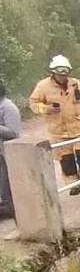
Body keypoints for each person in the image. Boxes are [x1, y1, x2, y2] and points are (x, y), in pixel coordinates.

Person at [28, 55, 80, 196]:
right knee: (66, 161)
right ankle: (74, 184)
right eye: (60, 74)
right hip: (59, 130)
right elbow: (33, 103)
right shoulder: (43, 86)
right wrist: (46, 109)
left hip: (79, 127)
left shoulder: (76, 84)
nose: (63, 77)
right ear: (53, 72)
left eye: (65, 74)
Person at [0, 79, 22, 220]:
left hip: (5, 154)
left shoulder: (8, 107)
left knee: (5, 187)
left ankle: (8, 210)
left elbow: (14, 133)